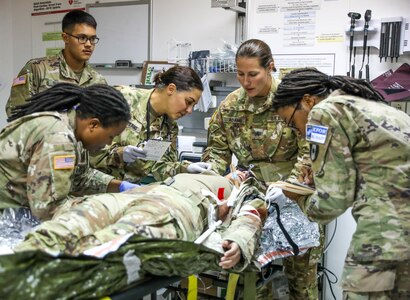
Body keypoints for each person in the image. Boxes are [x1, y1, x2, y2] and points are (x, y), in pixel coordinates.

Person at [269, 67, 410, 299]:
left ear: (307, 101)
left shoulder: (322, 112)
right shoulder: (363, 104)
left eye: (292, 122)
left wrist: (298, 198)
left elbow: (332, 203)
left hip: (388, 230)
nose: (300, 133)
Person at [201, 39, 322, 299]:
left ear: (270, 67)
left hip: (294, 199)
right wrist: (212, 177)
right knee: (247, 275)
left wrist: (286, 191)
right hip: (252, 199)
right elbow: (218, 152)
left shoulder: (291, 103)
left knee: (301, 283)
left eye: (253, 74)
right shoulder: (231, 106)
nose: (246, 82)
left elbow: (309, 154)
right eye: (241, 74)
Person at [15, 171, 267, 273]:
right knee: (78, 218)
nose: (240, 172)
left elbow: (250, 219)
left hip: (178, 207)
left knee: (117, 239)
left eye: (245, 173)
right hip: (136, 196)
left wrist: (237, 242)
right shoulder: (201, 172)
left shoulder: (244, 192)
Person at [0, 83, 138, 222]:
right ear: (93, 125)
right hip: (8, 216)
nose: (109, 144)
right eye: (110, 136)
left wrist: (120, 186)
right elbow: (48, 208)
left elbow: (80, 177)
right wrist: (106, 207)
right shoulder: (59, 138)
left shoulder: (73, 129)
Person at [90, 65, 211, 183]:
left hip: (129, 192)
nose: (189, 111)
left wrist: (186, 168)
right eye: (188, 102)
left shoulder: (169, 127)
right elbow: (85, 144)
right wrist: (120, 154)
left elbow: (158, 167)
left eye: (193, 106)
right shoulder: (123, 98)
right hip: (95, 185)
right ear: (171, 89)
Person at [5, 10, 106, 117]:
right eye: (82, 38)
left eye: (93, 39)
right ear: (65, 37)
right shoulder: (37, 69)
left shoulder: (98, 80)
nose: (89, 44)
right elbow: (16, 112)